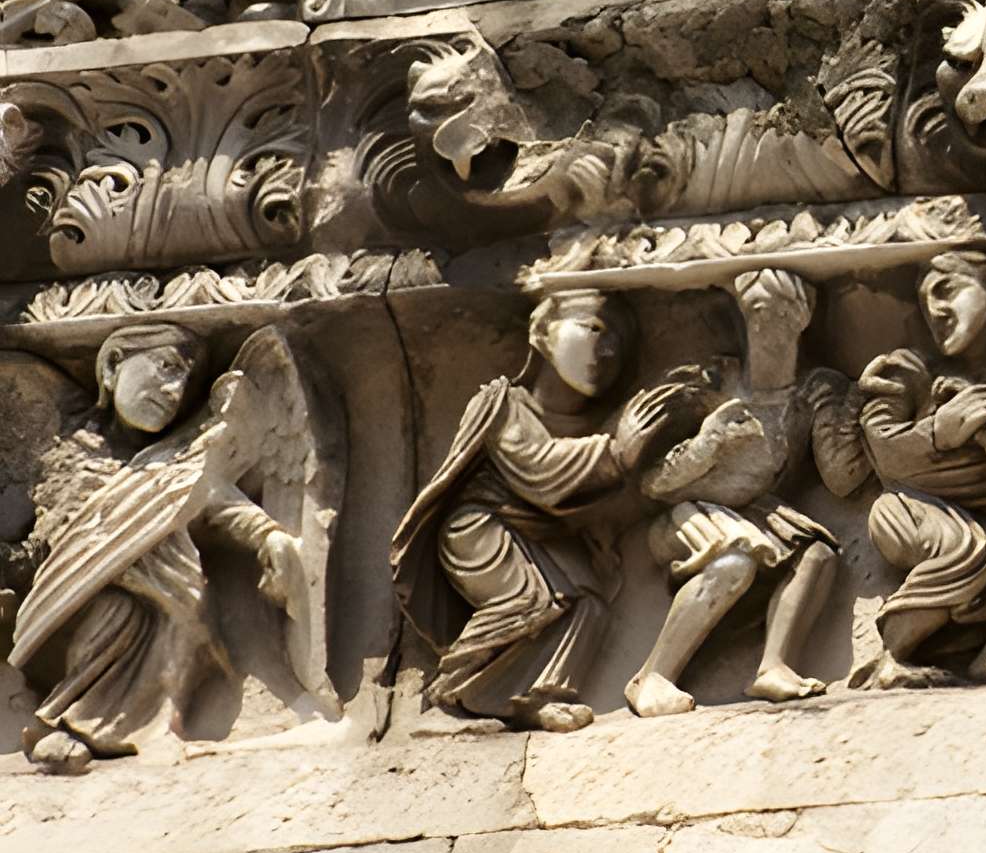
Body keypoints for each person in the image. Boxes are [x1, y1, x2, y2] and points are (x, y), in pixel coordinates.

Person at [16, 326, 320, 772]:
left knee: (182, 605)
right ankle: (73, 717)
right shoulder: (68, 450)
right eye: (165, 368)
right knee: (116, 614)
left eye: (184, 383)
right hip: (84, 589)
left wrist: (266, 533)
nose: (173, 391)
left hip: (175, 592)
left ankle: (160, 725)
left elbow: (210, 494)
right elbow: (46, 531)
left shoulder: (175, 459)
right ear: (113, 364)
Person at [393, 291, 681, 731]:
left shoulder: (587, 427)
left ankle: (532, 695)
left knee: (589, 604)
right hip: (478, 529)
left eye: (620, 347)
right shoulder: (503, 403)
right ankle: (456, 686)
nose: (607, 353)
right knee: (528, 599)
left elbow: (584, 501)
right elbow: (540, 470)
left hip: (532, 535)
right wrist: (617, 452)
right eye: (596, 329)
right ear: (541, 331)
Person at [811, 251, 986, 688]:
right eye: (925, 303)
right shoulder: (911, 369)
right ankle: (894, 655)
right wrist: (939, 432)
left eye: (948, 291)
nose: (935, 311)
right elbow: (882, 451)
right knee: (963, 548)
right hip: (907, 506)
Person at [624, 268, 837, 716]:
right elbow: (651, 484)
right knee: (733, 564)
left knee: (818, 554)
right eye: (757, 311)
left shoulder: (811, 394)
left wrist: (847, 416)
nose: (767, 325)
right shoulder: (716, 381)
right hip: (688, 514)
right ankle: (652, 676)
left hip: (756, 511)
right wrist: (707, 444)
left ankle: (773, 666)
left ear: (803, 318)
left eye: (782, 313)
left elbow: (842, 480)